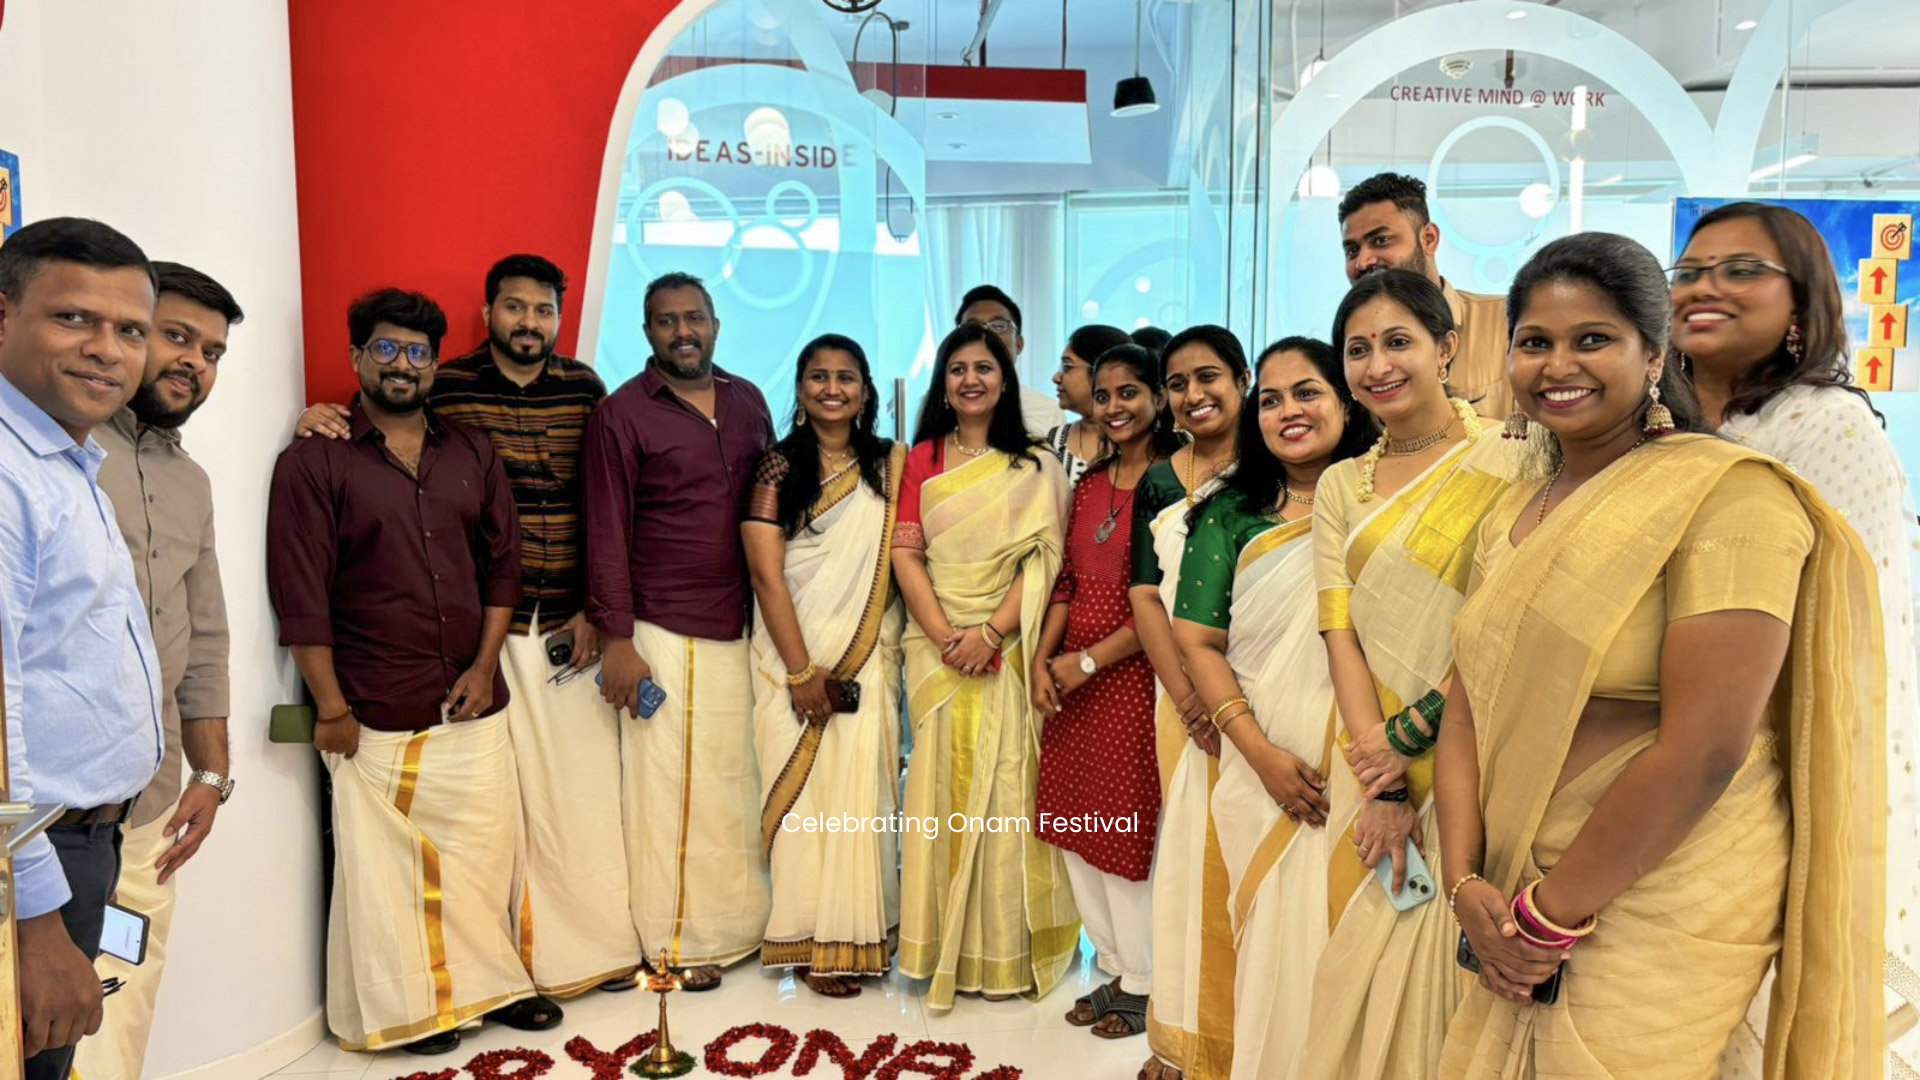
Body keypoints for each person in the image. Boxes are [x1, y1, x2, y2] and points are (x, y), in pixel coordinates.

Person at [1437, 232, 1884, 1078]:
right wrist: (1464, 883)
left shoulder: (1731, 496)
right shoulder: (1511, 515)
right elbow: (1466, 702)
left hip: (1665, 887)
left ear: (1653, 354)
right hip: (1507, 883)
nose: (1558, 365)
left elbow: (1707, 747)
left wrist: (1545, 921)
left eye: (1592, 339)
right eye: (1534, 342)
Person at [294, 254, 641, 999]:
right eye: (514, 307)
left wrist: (598, 610)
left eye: (543, 310)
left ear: (559, 317)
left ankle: (589, 953)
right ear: (488, 314)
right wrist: (316, 417)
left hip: (567, 623)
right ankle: (510, 964)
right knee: (503, 811)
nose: (529, 322)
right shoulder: (444, 385)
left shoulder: (585, 387)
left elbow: (606, 501)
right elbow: (376, 425)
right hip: (487, 632)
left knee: (577, 799)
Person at [267, 287, 558, 1054]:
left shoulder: (471, 452)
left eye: (417, 352)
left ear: (434, 364)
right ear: (358, 357)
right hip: (374, 703)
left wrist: (485, 666)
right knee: (388, 875)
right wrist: (331, 706)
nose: (402, 365)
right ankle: (419, 1009)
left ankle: (496, 986)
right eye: (386, 349)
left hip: (472, 696)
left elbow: (503, 569)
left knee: (485, 857)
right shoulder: (314, 461)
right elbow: (301, 597)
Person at [1668, 201, 1919, 1074]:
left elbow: (1845, 625)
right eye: (1690, 271)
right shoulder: (1658, 424)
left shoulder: (1826, 428)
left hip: (1766, 755)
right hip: (1651, 746)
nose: (1705, 287)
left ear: (1802, 304)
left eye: (1742, 270)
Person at [1298, 269, 1526, 1080]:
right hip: (1372, 762)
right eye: (1358, 350)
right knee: (1363, 967)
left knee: (1469, 966)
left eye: (1399, 342)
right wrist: (1384, 779)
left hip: (1484, 751)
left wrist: (1417, 733)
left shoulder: (1516, 456)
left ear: (1446, 347)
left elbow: (1512, 624)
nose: (1378, 366)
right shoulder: (1341, 484)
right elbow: (1340, 630)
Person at [1171, 336, 1376, 1080]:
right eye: (1271, 399)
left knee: (1360, 940)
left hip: (1375, 762)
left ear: (1345, 400)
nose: (1289, 410)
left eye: (1307, 392)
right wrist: (1259, 757)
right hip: (1264, 765)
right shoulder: (1230, 514)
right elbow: (1197, 641)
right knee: (1273, 942)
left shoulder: (1384, 501)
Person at [0, 217, 164, 1080]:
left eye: (130, 330)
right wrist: (34, 923)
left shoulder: (60, 460)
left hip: (78, 843)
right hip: (29, 862)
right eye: (74, 319)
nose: (106, 349)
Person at [583, 270, 774, 991]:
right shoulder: (622, 414)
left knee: (731, 784)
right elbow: (606, 531)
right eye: (667, 321)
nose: (683, 332)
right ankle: (674, 943)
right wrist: (618, 640)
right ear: (647, 332)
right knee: (666, 793)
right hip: (661, 629)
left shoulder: (748, 400)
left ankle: (738, 928)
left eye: (694, 318)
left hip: (740, 627)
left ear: (716, 325)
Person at [80, 261, 240, 1080]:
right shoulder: (55, 453)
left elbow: (204, 638)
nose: (194, 363)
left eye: (211, 352)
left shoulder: (191, 483)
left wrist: (211, 773)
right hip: (50, 812)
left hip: (150, 804)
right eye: (177, 337)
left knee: (125, 1000)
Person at [892, 322, 1076, 1011]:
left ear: (1005, 379)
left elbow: (1047, 560)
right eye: (958, 368)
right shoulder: (923, 457)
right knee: (937, 790)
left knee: (1007, 791)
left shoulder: (1035, 466)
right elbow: (906, 552)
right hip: (936, 649)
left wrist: (991, 633)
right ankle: (937, 945)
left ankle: (1001, 955)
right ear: (943, 383)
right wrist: (948, 636)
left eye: (984, 368)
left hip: (1008, 647)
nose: (971, 379)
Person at [743, 334, 905, 999]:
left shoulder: (891, 465)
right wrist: (800, 671)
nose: (832, 389)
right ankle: (811, 940)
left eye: (846, 377)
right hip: (792, 657)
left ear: (866, 391)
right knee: (805, 804)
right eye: (818, 376)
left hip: (869, 660)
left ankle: (861, 933)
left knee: (863, 798)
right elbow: (766, 573)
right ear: (800, 388)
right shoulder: (778, 466)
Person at [1033, 342, 1182, 1039]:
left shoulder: (1173, 480)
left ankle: (1147, 983)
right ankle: (1118, 967)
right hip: (1072, 675)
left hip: (1132, 674)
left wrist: (1088, 662)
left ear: (1158, 396)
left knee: (1126, 828)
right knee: (1073, 823)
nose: (1115, 407)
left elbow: (1161, 601)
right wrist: (1044, 660)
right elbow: (1066, 578)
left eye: (1130, 392)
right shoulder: (1091, 480)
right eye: (1104, 394)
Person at [1131, 324, 1249, 1080]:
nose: (1193, 394)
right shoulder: (1160, 480)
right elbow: (1145, 593)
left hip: (1261, 687)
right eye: (1177, 384)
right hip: (1181, 698)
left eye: (1208, 377)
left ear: (1241, 379)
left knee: (1248, 860)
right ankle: (1185, 1037)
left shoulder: (1275, 464)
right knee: (1187, 863)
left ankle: (1251, 1039)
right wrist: (1185, 693)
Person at [1339, 173, 1511, 418]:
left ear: (1428, 239)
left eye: (1381, 240)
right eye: (1352, 251)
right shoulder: (1351, 352)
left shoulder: (1506, 322)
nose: (1363, 261)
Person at [957, 284, 1065, 437]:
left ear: (1019, 344)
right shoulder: (938, 405)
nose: (986, 335)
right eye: (973, 327)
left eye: (998, 326)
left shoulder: (1048, 411)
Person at [1043, 324, 1131, 486]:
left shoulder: (1139, 442)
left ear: (1100, 371)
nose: (1056, 377)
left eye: (1067, 367)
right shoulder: (1054, 440)